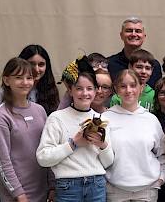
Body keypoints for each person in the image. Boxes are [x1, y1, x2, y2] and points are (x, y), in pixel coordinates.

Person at [0, 45, 59, 199]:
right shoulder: (1, 116)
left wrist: (52, 185)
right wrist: (19, 194)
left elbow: (48, 149)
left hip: (42, 192)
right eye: (18, 77)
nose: (25, 82)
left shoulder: (40, 111)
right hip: (16, 195)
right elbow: (2, 162)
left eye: (29, 78)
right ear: (6, 80)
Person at [36, 69, 113, 202]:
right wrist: (72, 144)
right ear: (70, 91)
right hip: (68, 186)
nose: (85, 93)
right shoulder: (57, 118)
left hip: (97, 185)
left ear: (95, 91)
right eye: (79, 88)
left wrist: (102, 145)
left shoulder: (101, 119)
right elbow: (43, 158)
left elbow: (108, 163)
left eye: (89, 88)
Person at [105, 69, 165, 201]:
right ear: (116, 89)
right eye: (123, 86)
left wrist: (161, 177)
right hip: (115, 191)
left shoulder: (151, 119)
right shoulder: (105, 118)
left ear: (141, 87)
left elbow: (162, 154)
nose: (128, 90)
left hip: (147, 191)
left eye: (133, 85)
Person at [107, 17, 162, 88]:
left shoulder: (154, 65)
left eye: (138, 31)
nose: (133, 34)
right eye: (129, 30)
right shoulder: (109, 64)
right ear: (121, 35)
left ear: (144, 36)